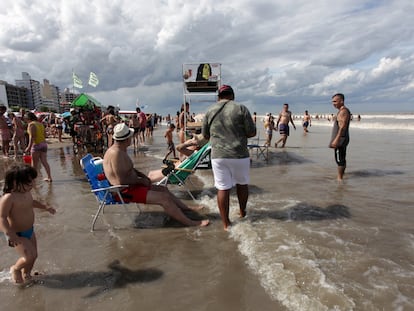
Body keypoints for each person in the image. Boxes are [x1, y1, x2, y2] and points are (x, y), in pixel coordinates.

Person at [103, 123, 209, 227]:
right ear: (126, 139)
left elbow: (128, 169)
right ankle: (190, 223)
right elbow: (121, 181)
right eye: (131, 137)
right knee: (164, 198)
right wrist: (141, 181)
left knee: (164, 190)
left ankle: (186, 208)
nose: (132, 138)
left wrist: (143, 177)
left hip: (128, 187)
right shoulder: (117, 154)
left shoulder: (118, 150)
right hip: (123, 191)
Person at [202, 85, 256, 230]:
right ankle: (242, 212)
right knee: (242, 184)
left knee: (223, 188)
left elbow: (205, 136)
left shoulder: (210, 110)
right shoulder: (241, 108)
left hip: (218, 155)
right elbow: (252, 132)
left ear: (218, 96)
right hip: (239, 153)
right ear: (232, 95)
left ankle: (226, 224)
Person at [0, 164, 56, 284]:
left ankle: (27, 274)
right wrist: (10, 235)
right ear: (15, 182)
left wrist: (45, 207)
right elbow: (2, 218)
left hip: (29, 230)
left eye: (32, 182)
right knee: (29, 256)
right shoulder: (9, 198)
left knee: (34, 256)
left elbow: (32, 202)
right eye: (28, 183)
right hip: (16, 234)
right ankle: (15, 269)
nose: (32, 185)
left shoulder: (26, 193)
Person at [25, 112, 53, 182]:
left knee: (34, 164)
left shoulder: (31, 125)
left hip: (36, 145)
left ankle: (32, 179)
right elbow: (44, 135)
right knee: (44, 162)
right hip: (43, 144)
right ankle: (49, 177)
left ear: (28, 118)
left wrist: (28, 147)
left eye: (25, 119)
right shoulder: (40, 124)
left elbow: (32, 137)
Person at [329, 93, 351, 181]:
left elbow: (343, 126)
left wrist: (337, 139)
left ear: (341, 101)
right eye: (332, 102)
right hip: (342, 138)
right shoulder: (342, 111)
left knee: (339, 159)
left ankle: (339, 179)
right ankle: (342, 175)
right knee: (342, 157)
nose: (333, 103)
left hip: (341, 139)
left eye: (335, 101)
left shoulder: (343, 111)